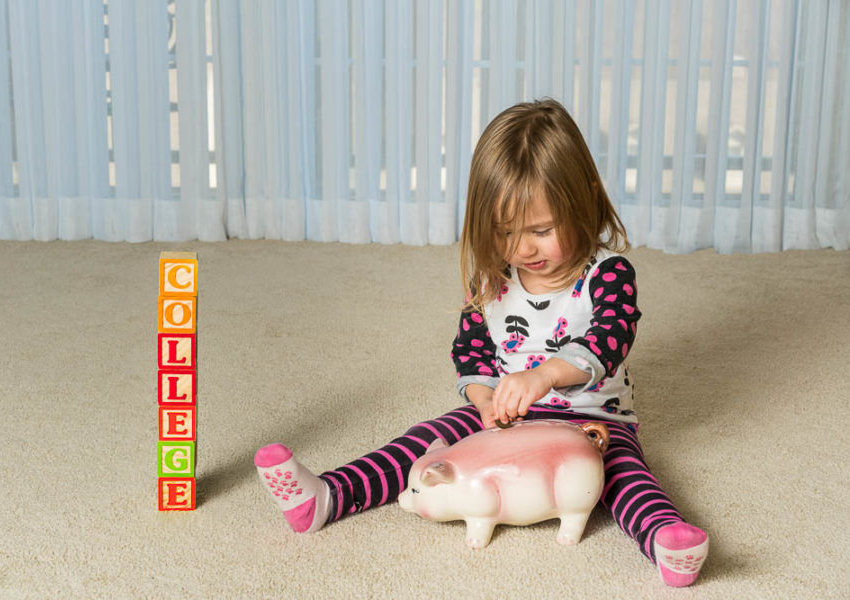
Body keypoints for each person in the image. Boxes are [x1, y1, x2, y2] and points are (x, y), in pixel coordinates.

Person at [255, 99, 709, 587]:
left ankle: (665, 538)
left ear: (584, 199)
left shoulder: (608, 275)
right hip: (506, 416)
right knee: (423, 446)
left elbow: (610, 336)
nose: (523, 249)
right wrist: (485, 399)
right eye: (505, 232)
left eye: (541, 230)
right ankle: (326, 496)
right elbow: (470, 351)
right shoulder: (493, 283)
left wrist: (544, 376)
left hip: (593, 419)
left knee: (624, 477)